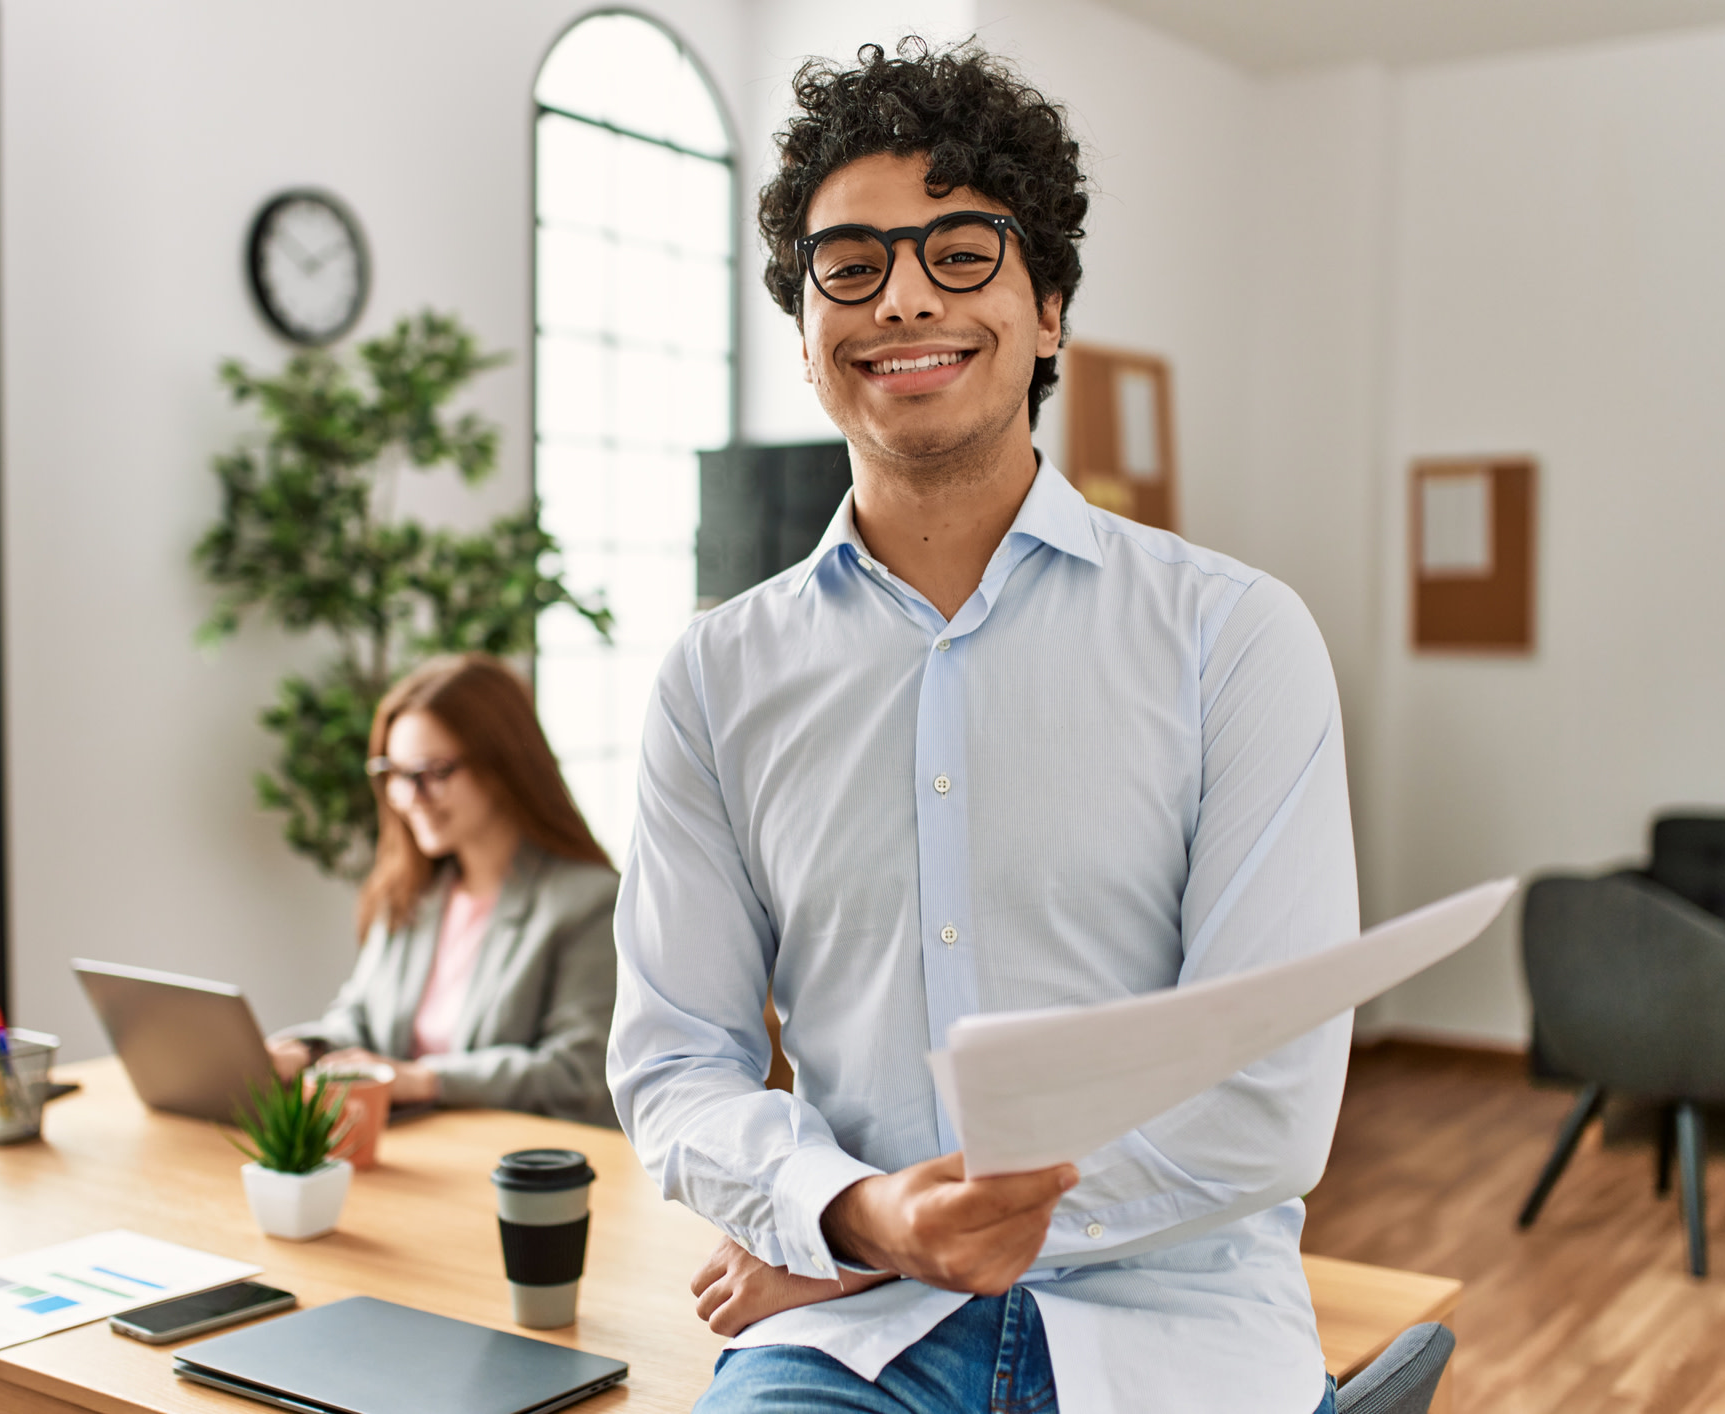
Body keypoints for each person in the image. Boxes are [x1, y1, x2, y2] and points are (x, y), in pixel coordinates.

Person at [607, 40, 1355, 1414]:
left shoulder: (1234, 641)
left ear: (1050, 305)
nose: (900, 296)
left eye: (960, 250)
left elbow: (1269, 1101)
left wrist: (903, 1239)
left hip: (1176, 1339)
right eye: (851, 262)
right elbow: (675, 1063)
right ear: (806, 323)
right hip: (846, 1342)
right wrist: (853, 1216)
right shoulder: (715, 678)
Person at [271, 654, 619, 1127]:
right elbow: (360, 1020)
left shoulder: (589, 902)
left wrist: (422, 1080)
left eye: (432, 773)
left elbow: (576, 1076)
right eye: (393, 774)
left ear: (503, 767)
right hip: (405, 1153)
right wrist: (304, 1052)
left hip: (505, 1168)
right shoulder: (412, 891)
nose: (408, 798)